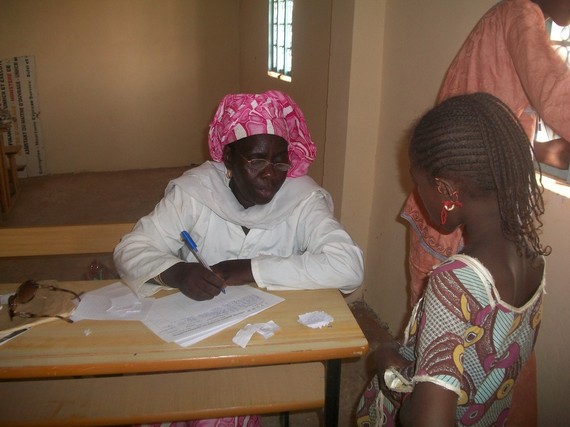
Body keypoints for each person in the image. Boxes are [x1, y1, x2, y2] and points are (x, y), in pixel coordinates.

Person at [114, 90, 364, 426]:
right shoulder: (196, 192)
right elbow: (130, 249)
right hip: (195, 334)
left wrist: (250, 268)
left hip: (265, 340)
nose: (271, 174)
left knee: (211, 412)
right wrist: (175, 273)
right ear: (228, 159)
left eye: (280, 160)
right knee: (153, 402)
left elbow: (348, 266)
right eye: (257, 160)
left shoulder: (302, 198)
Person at [357, 92, 551, 426]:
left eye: (419, 185)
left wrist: (389, 366)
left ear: (447, 191)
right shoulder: (532, 258)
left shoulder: (455, 282)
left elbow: (429, 419)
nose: (416, 197)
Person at [401, 0, 570, 306]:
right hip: (457, 198)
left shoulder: (513, 18)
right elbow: (556, 94)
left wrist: (536, 150)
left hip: (459, 194)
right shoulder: (520, 14)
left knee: (446, 307)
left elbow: (495, 122)